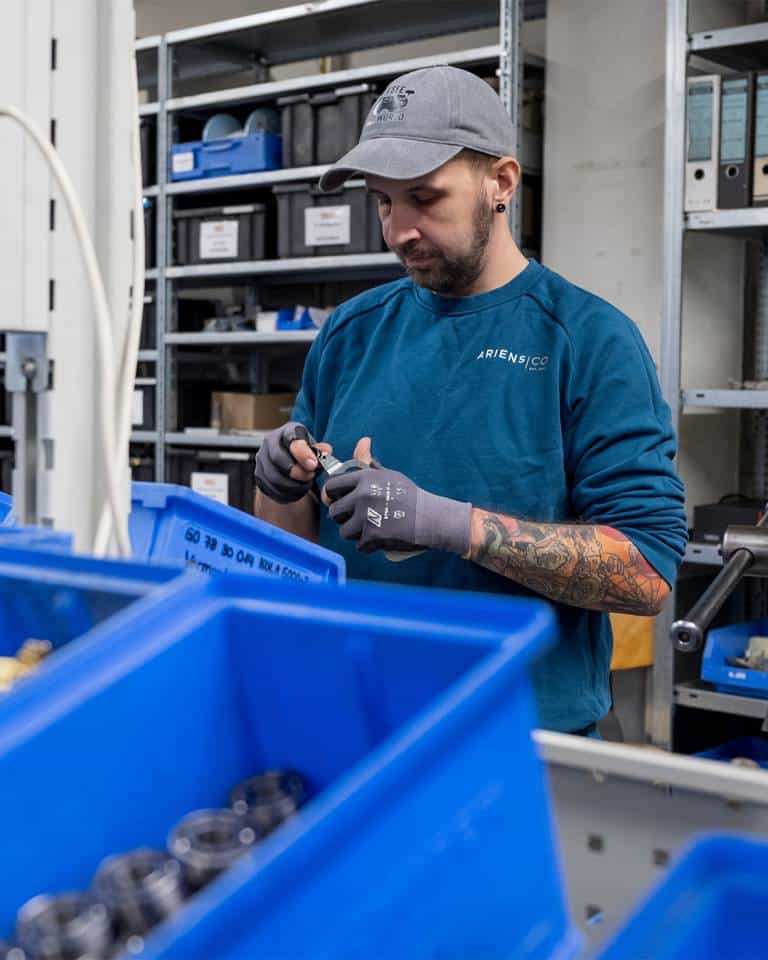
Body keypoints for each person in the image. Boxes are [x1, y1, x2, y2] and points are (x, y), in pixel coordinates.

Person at [254, 65, 687, 735]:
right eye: (383, 202)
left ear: (502, 184)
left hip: (524, 732)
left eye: (425, 198)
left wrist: (451, 526)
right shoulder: (352, 330)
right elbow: (292, 553)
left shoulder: (590, 340)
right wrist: (280, 484)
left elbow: (647, 572)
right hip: (364, 715)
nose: (399, 230)